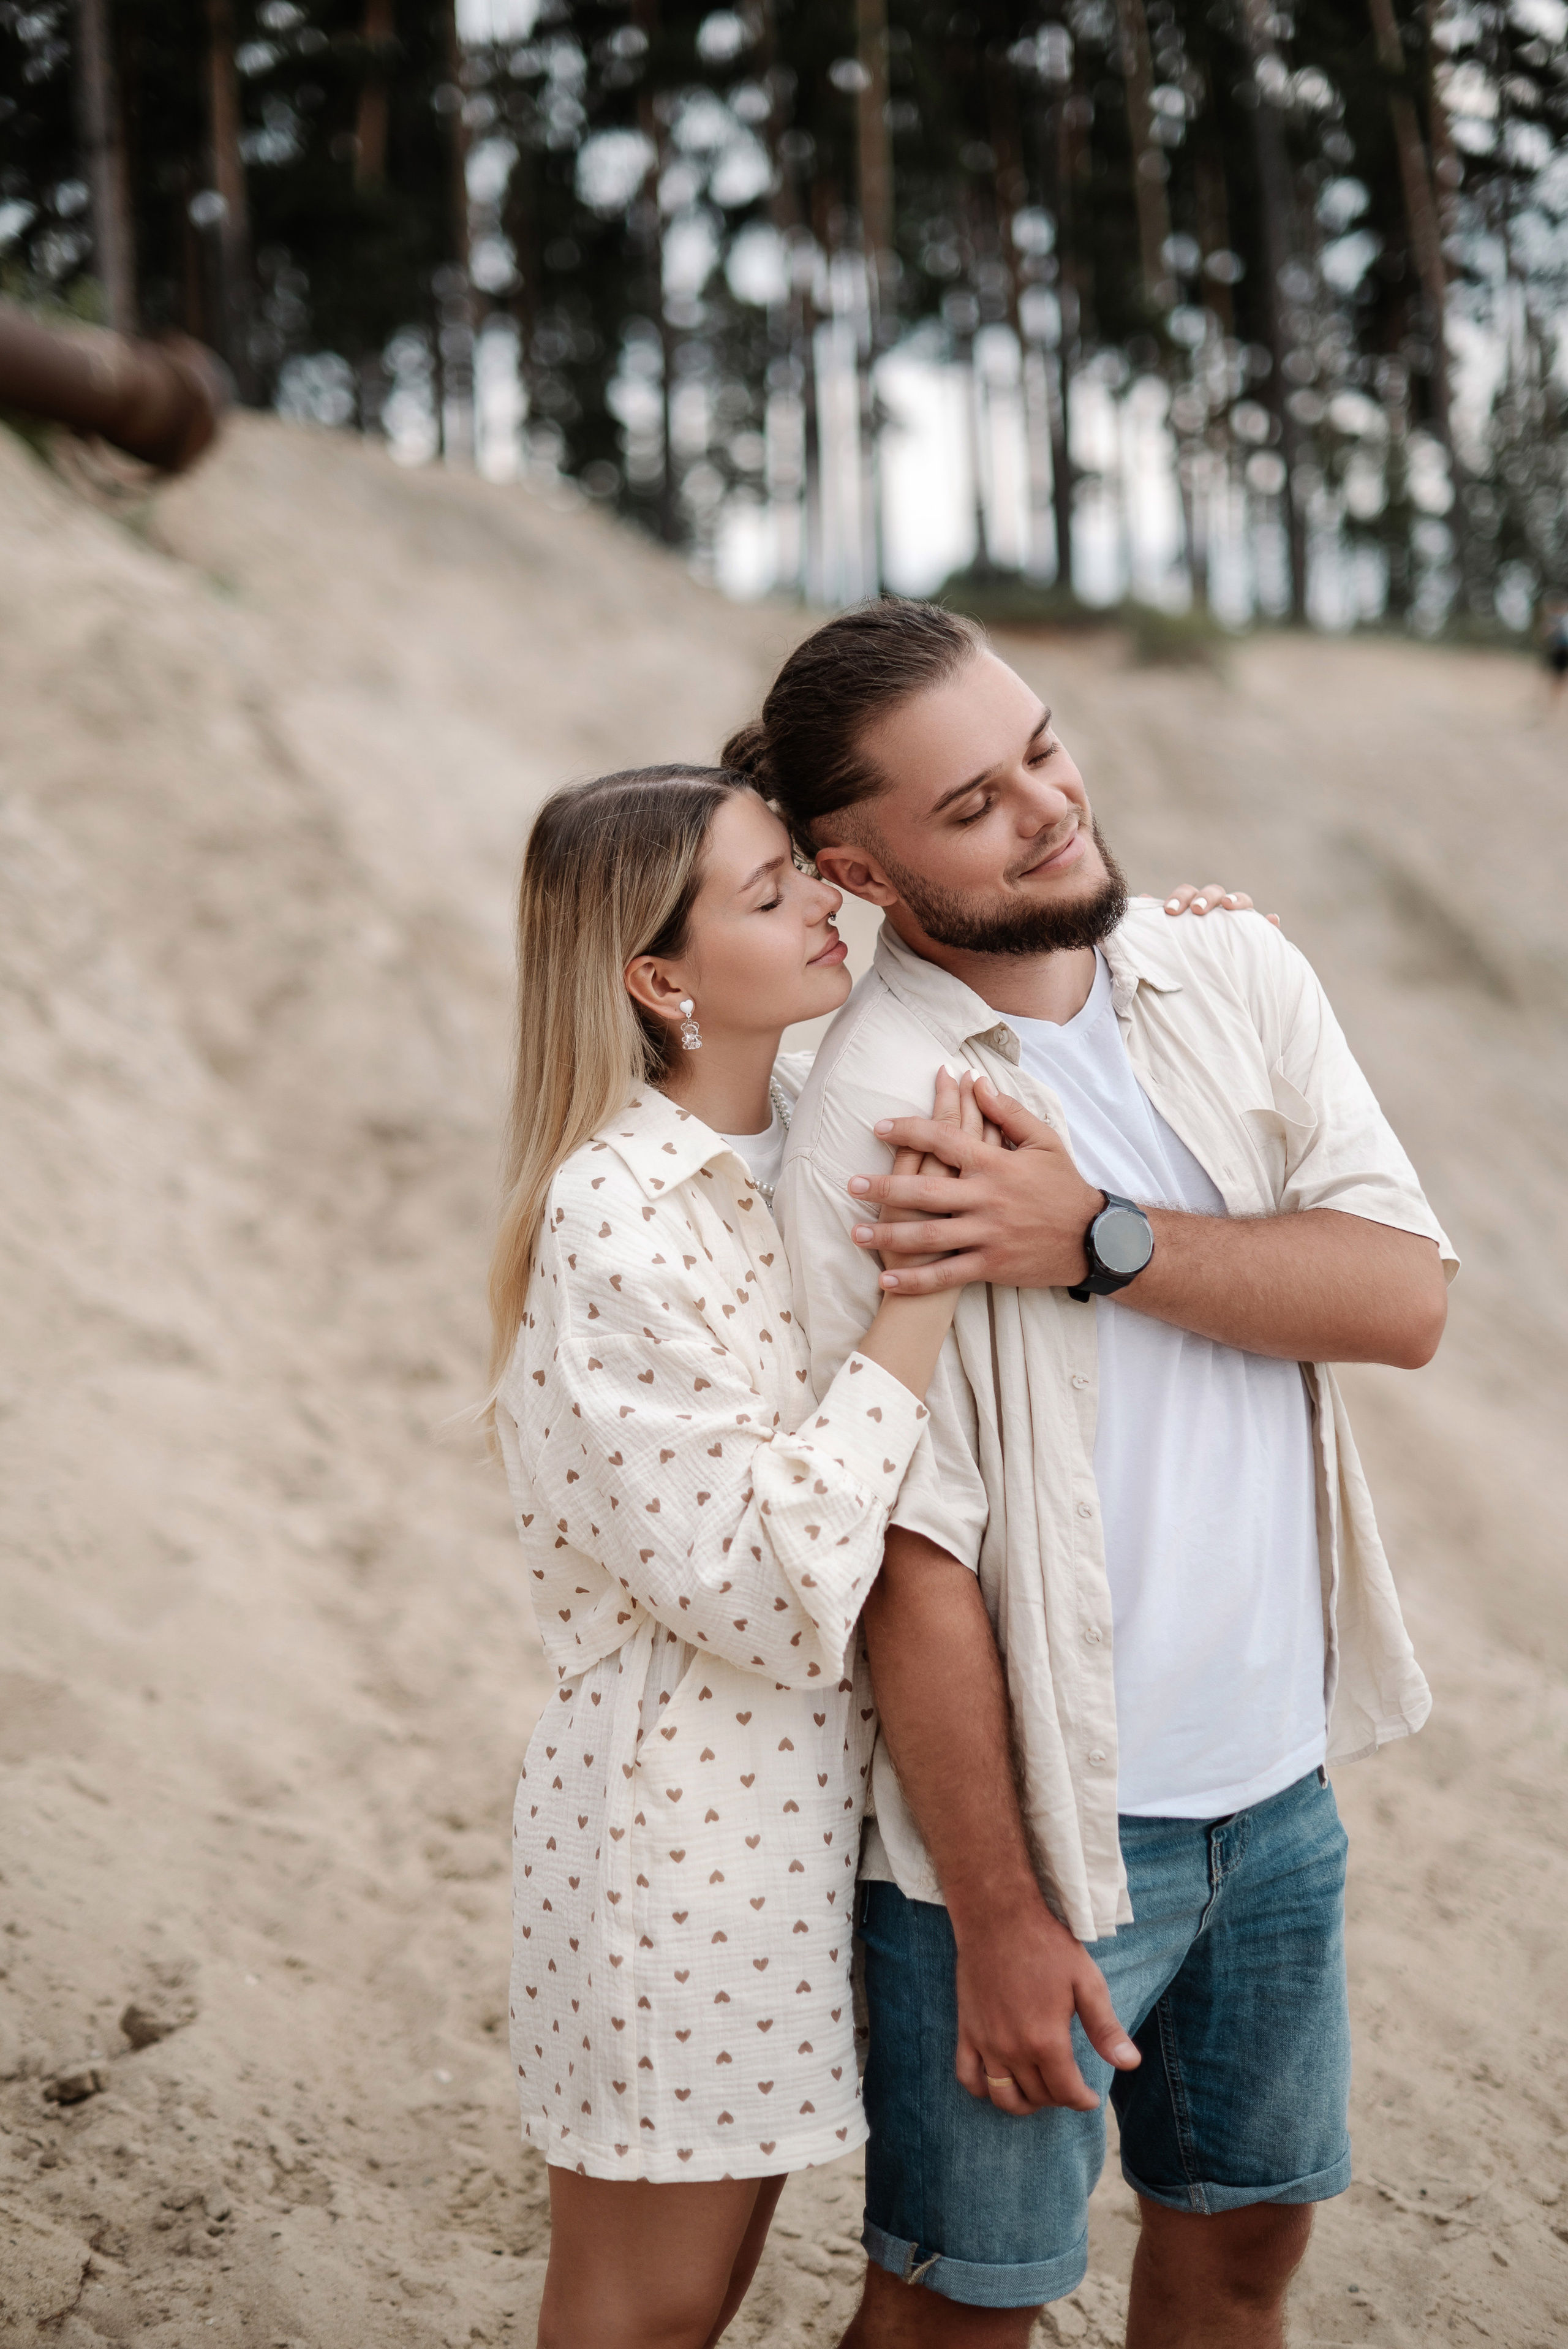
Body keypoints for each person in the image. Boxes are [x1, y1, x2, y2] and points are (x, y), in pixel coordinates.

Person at [724, 600, 1457, 2349]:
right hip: (1040, 1841)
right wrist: (995, 1910)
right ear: (868, 872)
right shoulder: (871, 1121)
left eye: (1041, 746)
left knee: (1242, 2247)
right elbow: (909, 1555)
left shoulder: (1232, 971)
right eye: (972, 805)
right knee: (965, 2304)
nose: (1051, 805)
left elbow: (1402, 1295)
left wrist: (1099, 1238)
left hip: (1277, 1796)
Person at [487, 760, 1259, 2349]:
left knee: (703, 2292)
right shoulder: (615, 1215)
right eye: (770, 896)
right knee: (643, 2314)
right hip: (678, 1837)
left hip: (806, 1828)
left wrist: (1177, 943)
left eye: (803, 870)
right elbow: (767, 1591)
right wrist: (915, 1297)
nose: (824, 901)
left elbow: (1005, 989)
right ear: (657, 977)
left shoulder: (798, 1121)